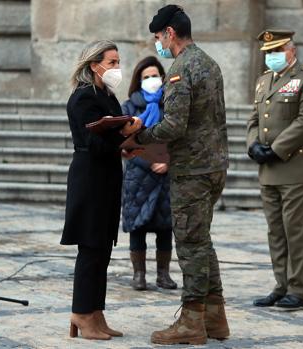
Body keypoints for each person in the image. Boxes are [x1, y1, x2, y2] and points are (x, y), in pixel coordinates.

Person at [133, 5, 230, 345]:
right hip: (214, 165)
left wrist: (139, 136)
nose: (158, 43)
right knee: (202, 240)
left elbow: (174, 124)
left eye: (158, 37)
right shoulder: (208, 62)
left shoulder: (180, 69)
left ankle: (191, 321)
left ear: (170, 34)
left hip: (192, 169)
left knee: (190, 244)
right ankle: (215, 318)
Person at [61, 40, 142, 340]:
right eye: (111, 62)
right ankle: (81, 313)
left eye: (118, 61)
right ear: (94, 65)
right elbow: (92, 142)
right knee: (90, 248)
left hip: (107, 177)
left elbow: (111, 139)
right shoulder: (83, 98)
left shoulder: (107, 96)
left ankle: (96, 311)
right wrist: (124, 133)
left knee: (103, 248)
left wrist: (128, 146)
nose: (117, 68)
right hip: (89, 179)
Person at [246, 30, 303, 310]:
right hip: (269, 168)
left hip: (296, 167)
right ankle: (281, 286)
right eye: (268, 52)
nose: (272, 57)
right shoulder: (264, 80)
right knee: (275, 231)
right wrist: (253, 144)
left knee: (294, 230)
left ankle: (298, 289)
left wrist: (276, 149)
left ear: (293, 50)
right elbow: (254, 118)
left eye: (277, 51)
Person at [121, 56, 177, 291]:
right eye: (146, 77)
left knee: (165, 228)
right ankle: (139, 275)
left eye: (155, 76)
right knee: (138, 227)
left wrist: (167, 163)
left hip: (166, 175)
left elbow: (179, 138)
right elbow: (125, 142)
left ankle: (163, 275)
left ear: (163, 78)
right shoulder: (129, 106)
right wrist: (150, 162)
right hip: (138, 175)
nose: (151, 80)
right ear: (138, 80)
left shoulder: (172, 105)